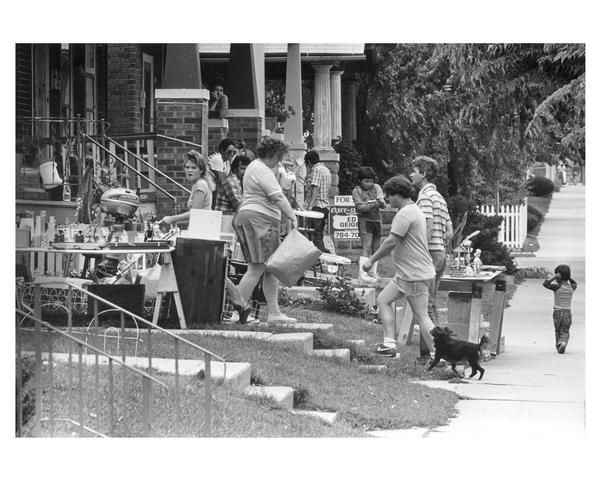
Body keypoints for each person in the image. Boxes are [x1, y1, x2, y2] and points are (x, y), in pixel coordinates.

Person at [159, 150, 251, 323]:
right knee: (213, 273)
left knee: (215, 273)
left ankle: (240, 304)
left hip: (202, 235)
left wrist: (172, 219)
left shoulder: (200, 186)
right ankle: (241, 305)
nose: (189, 170)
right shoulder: (198, 185)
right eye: (187, 167)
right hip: (200, 232)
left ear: (201, 170)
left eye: (193, 167)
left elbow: (195, 213)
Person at [362, 175, 436, 357]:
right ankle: (388, 345)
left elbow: (391, 241)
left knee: (421, 316)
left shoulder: (405, 213)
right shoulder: (413, 209)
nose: (387, 199)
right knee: (383, 300)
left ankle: (440, 354)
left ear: (398, 194)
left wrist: (371, 260)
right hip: (407, 274)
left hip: (414, 274)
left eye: (389, 195)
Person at [233, 136, 299, 324]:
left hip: (261, 219)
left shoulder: (258, 168)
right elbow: (278, 197)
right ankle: (238, 311)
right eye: (279, 156)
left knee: (271, 268)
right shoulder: (262, 170)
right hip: (259, 220)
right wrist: (292, 217)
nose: (279, 161)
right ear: (273, 154)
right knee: (256, 268)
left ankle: (274, 313)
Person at [410, 156, 453, 325]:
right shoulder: (439, 197)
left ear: (424, 173)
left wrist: (421, 252)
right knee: (431, 302)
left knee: (425, 305)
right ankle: (440, 340)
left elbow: (426, 227)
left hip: (429, 253)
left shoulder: (425, 197)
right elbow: (449, 232)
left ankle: (434, 345)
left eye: (414, 171)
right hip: (440, 253)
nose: (410, 175)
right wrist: (442, 248)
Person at [352, 166, 385, 281]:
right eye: (366, 181)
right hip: (365, 221)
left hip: (377, 220)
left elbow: (383, 203)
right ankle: (362, 274)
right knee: (366, 247)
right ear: (360, 180)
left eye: (371, 181)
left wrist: (378, 203)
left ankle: (373, 272)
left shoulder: (376, 188)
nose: (369, 183)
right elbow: (360, 207)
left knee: (376, 248)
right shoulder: (357, 191)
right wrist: (375, 204)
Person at [543, 264, 577, 354]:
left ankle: (559, 346)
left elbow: (545, 284)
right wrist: (568, 277)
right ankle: (563, 342)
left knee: (558, 331)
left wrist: (553, 277)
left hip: (557, 313)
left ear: (558, 277)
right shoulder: (572, 287)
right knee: (565, 331)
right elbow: (574, 283)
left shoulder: (556, 287)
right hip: (567, 313)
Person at [304, 150, 332, 253]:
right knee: (319, 233)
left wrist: (310, 206)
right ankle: (324, 253)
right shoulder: (326, 169)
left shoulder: (316, 170)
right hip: (325, 206)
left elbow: (315, 188)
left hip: (317, 206)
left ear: (309, 162)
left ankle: (319, 256)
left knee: (314, 234)